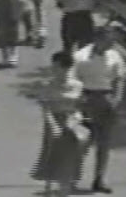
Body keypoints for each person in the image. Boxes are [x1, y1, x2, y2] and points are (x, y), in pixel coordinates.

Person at [73, 24, 126, 194]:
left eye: (112, 41)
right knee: (83, 141)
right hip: (87, 98)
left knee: (104, 144)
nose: (111, 44)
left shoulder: (115, 56)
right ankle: (72, 176)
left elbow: (119, 78)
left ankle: (99, 179)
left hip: (107, 98)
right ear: (97, 39)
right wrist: (79, 101)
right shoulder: (80, 57)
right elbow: (73, 80)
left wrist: (116, 99)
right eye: (108, 40)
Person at [31, 51, 89, 197]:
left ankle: (66, 189)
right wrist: (54, 126)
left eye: (57, 67)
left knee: (71, 156)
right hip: (54, 120)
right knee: (51, 153)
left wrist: (76, 120)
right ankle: (48, 188)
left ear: (67, 68)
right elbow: (46, 109)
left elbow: (80, 108)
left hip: (72, 122)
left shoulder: (78, 86)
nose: (54, 70)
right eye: (54, 67)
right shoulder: (48, 85)